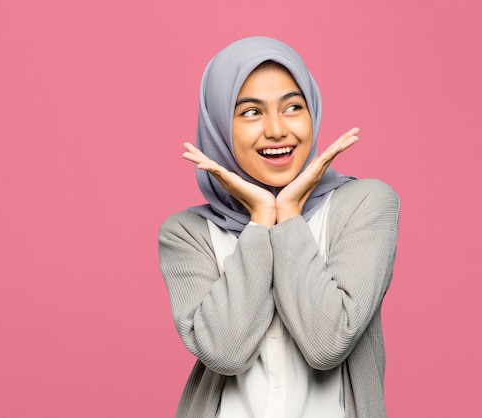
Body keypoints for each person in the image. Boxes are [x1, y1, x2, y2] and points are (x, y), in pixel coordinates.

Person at [158, 36, 400, 418]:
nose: (276, 130)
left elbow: (327, 344)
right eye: (251, 112)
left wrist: (287, 214)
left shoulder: (365, 204)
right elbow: (225, 352)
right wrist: (260, 220)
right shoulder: (187, 233)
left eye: (292, 107)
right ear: (219, 124)